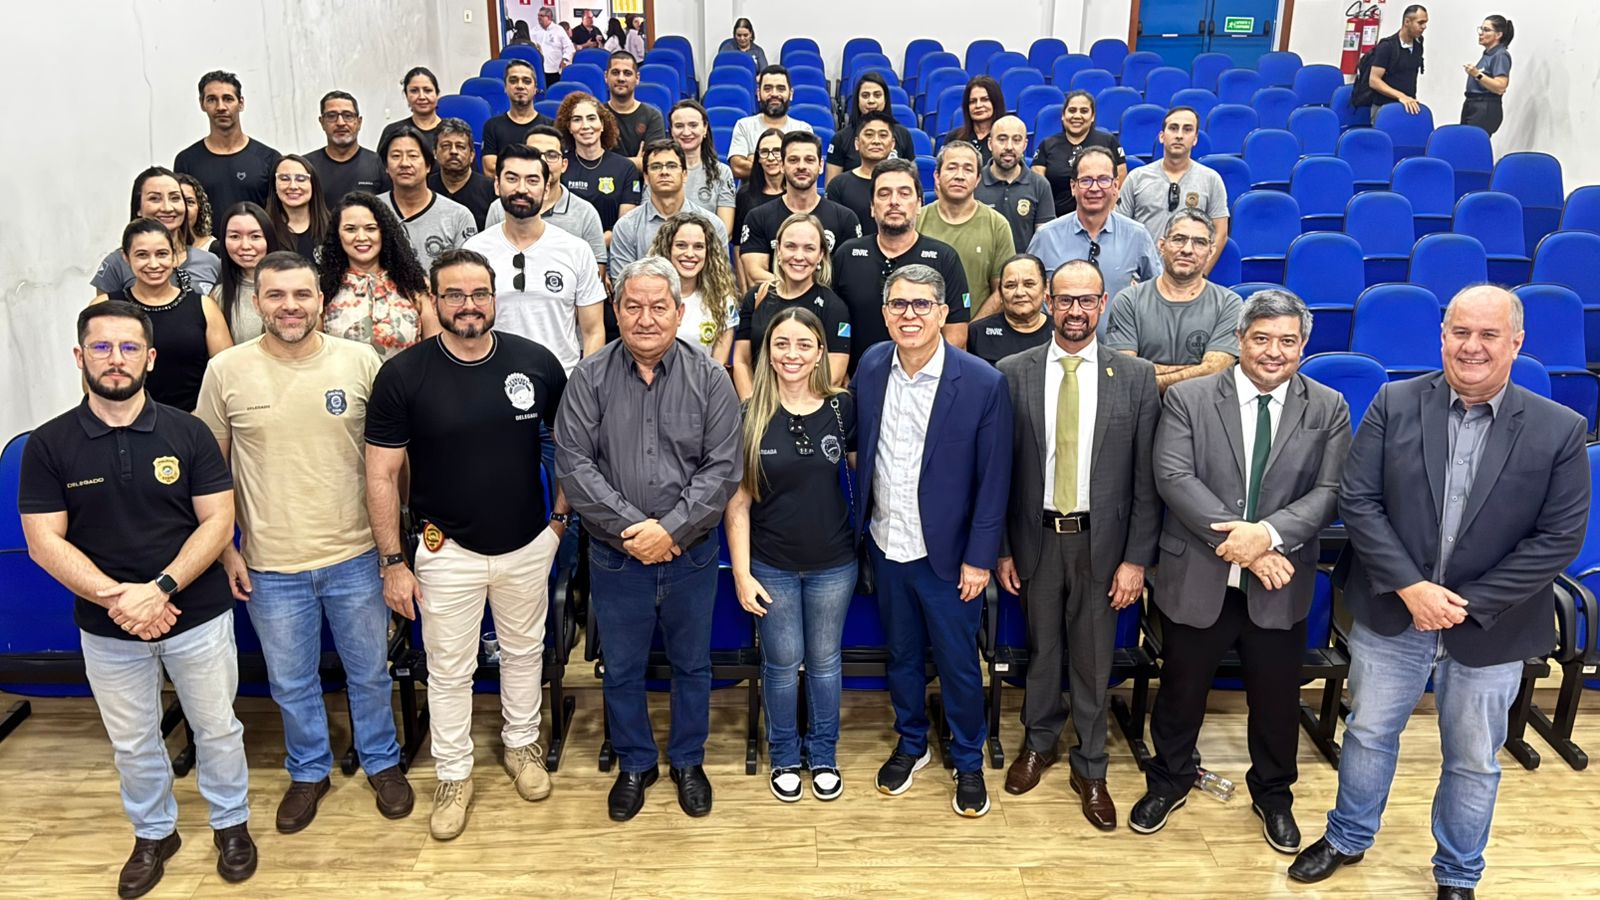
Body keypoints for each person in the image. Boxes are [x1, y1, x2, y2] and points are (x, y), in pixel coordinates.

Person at [1289, 286, 1589, 898]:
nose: (1472, 346)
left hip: (1492, 626)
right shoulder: (1394, 403)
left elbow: (1558, 538)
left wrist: (1464, 603)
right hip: (1393, 612)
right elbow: (1360, 502)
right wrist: (1412, 587)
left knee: (1474, 757)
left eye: (1488, 335)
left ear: (1516, 343)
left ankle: (1458, 871)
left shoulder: (1559, 428)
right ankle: (1347, 836)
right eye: (1461, 332)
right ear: (1443, 335)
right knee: (1368, 733)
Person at [19, 301, 256, 896]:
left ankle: (231, 824)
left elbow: (217, 521)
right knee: (132, 741)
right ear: (80, 356)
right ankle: (154, 833)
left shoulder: (188, 431)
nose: (115, 359)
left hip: (196, 615)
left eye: (128, 348)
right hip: (108, 626)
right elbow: (44, 542)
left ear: (149, 358)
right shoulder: (48, 444)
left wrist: (160, 589)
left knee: (217, 728)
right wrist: (119, 600)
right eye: (101, 347)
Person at [195, 251, 413, 836]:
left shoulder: (360, 361)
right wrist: (226, 549)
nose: (289, 306)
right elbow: (210, 473)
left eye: (301, 295)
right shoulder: (226, 371)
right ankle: (309, 770)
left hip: (356, 555)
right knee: (291, 682)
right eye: (276, 295)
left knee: (370, 673)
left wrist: (396, 547)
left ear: (320, 300)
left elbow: (391, 463)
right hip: (270, 563)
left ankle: (382, 761)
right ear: (257, 303)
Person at [366, 248, 573, 840]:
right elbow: (380, 474)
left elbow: (570, 447)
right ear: (433, 300)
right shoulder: (403, 375)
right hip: (445, 549)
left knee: (524, 652)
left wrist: (559, 521)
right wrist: (392, 562)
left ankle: (522, 746)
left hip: (528, 542)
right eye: (454, 295)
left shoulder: (535, 363)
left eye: (479, 293)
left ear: (494, 297)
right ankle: (454, 775)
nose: (468, 305)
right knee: (449, 669)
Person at [1132, 290, 1349, 850]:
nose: (1273, 351)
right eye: (1261, 338)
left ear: (1303, 345)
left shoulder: (1328, 407)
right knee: (1180, 692)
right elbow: (1174, 477)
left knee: (1276, 700)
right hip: (1198, 575)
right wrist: (1248, 546)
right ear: (1239, 340)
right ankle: (1169, 779)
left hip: (1280, 581)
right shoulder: (1190, 398)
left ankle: (1273, 795)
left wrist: (1268, 536)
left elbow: (1330, 491)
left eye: (1287, 341)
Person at [554, 256, 743, 823]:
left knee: (692, 666)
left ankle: (688, 760)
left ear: (680, 313)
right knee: (622, 668)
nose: (645, 318)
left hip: (691, 555)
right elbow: (574, 465)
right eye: (633, 306)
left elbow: (723, 468)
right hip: (617, 558)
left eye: (659, 306)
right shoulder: (589, 377)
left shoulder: (710, 377)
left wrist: (671, 530)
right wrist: (634, 532)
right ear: (616, 311)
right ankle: (636, 763)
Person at [994, 259, 1160, 831]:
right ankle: (1039, 743)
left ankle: (1091, 765)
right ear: (1047, 302)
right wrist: (1002, 548)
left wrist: (1136, 560)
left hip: (1103, 545)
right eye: (1064, 299)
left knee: (1092, 659)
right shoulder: (1012, 372)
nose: (1075, 311)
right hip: (1035, 538)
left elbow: (1146, 480)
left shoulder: (1134, 376)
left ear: (1103, 303)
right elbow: (1000, 472)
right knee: (1042, 650)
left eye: (1086, 300)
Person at [855, 264, 1013, 818]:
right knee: (901, 656)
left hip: (949, 557)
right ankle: (912, 741)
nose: (910, 315)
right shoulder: (871, 365)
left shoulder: (983, 382)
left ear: (944, 313)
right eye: (899, 304)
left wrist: (979, 559)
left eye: (922, 304)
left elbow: (994, 482)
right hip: (887, 544)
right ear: (885, 314)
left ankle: (968, 761)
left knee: (958, 665)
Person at [726, 307, 856, 802]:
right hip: (771, 565)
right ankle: (783, 754)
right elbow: (737, 505)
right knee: (781, 665)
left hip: (834, 564)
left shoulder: (843, 408)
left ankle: (823, 754)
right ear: (768, 352)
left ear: (821, 352)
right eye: (782, 344)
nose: (792, 354)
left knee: (824, 662)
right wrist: (742, 574)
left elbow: (863, 476)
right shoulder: (749, 414)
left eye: (804, 344)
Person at [464, 142, 606, 376]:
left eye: (532, 180)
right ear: (497, 185)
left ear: (546, 189)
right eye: (512, 179)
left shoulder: (576, 250)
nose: (522, 189)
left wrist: (582, 386)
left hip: (560, 382)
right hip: (490, 380)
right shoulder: (474, 251)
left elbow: (593, 331)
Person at [831, 158, 971, 370]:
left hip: (923, 380)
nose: (894, 201)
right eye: (884, 194)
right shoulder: (846, 255)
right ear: (872, 207)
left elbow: (956, 335)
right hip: (856, 380)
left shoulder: (945, 258)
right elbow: (831, 325)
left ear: (919, 204)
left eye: (904, 193)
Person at [94, 218, 232, 411]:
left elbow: (226, 374)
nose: (153, 264)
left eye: (162, 254)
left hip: (193, 419)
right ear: (126, 258)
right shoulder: (105, 307)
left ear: (174, 257)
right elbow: (91, 379)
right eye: (142, 255)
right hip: (123, 419)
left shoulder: (205, 307)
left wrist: (201, 417)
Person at [1105, 209, 1242, 390]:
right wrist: (1198, 369)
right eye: (1179, 239)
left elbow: (1215, 372)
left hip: (1202, 407)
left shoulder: (1229, 304)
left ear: (1211, 252)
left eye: (1199, 242)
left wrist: (1147, 377)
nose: (1187, 250)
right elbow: (1125, 373)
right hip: (1140, 407)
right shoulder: (1129, 300)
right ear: (1162, 246)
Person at [1028, 147, 1161, 318]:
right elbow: (1029, 293)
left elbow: (1158, 293)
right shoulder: (1046, 237)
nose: (1094, 188)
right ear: (1073, 187)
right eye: (1086, 180)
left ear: (1115, 186)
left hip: (1119, 336)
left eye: (1104, 180)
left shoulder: (1137, 236)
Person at [733, 213, 852, 397]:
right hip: (759, 406)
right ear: (779, 250)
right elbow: (741, 360)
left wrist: (794, 409)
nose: (799, 256)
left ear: (820, 255)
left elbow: (834, 375)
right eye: (790, 246)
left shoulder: (834, 307)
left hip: (808, 408)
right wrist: (751, 406)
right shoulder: (756, 297)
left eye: (809, 248)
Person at [318, 192, 439, 359]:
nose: (361, 237)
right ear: (337, 235)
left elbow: (434, 351)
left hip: (406, 376)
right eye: (350, 229)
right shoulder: (322, 288)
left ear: (384, 232)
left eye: (371, 228)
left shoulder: (415, 285)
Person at [486, 126, 609, 285]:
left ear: (564, 165)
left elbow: (596, 274)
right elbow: (488, 260)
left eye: (551, 155)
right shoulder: (499, 208)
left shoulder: (586, 213)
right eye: (535, 154)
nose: (543, 161)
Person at [1116, 108, 1230, 271]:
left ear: (1195, 139)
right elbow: (1120, 230)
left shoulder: (1211, 180)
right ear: (1162, 136)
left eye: (1187, 129)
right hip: (1142, 276)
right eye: (1173, 128)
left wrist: (1202, 274)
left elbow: (1220, 233)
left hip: (1190, 275)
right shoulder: (1136, 178)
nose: (1179, 135)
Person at [740, 132, 861, 285]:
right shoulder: (758, 217)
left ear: (821, 166)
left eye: (809, 160)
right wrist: (797, 290)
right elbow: (755, 273)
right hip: (776, 299)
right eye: (793, 160)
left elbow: (852, 274)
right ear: (782, 165)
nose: (801, 166)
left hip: (829, 299)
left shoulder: (845, 218)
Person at [917, 141, 1016, 321]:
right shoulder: (916, 221)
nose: (960, 176)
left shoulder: (997, 225)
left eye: (968, 169)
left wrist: (969, 330)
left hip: (977, 331)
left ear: (978, 179)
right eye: (952, 168)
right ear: (937, 176)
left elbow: (1002, 291)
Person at [92, 167, 223, 299]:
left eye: (175, 198)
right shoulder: (116, 263)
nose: (167, 208)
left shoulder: (210, 262)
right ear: (138, 208)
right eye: (154, 199)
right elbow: (103, 310)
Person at [611, 139, 730, 275]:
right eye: (656, 167)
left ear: (685, 174)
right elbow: (623, 282)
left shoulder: (713, 224)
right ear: (646, 177)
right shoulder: (626, 226)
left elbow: (719, 279)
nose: (664, 172)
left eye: (672, 166)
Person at [175, 70, 281, 213]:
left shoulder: (269, 158)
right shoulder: (186, 161)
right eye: (212, 99)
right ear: (202, 104)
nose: (221, 107)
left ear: (241, 103)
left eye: (228, 99)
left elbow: (278, 214)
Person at [376, 126, 478, 270]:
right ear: (386, 166)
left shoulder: (458, 216)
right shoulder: (370, 210)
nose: (404, 163)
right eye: (396, 156)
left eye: (413, 156)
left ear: (428, 165)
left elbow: (468, 272)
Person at [650, 210, 740, 362]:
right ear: (668, 249)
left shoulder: (722, 299)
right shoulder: (648, 295)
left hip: (703, 377)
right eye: (681, 245)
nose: (690, 254)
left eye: (698, 246)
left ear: (708, 252)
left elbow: (718, 364)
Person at [557, 93, 642, 246]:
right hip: (566, 249)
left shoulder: (625, 168)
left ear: (602, 124)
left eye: (591, 118)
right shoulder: (561, 166)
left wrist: (594, 246)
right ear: (568, 127)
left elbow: (625, 226)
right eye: (577, 119)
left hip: (610, 249)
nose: (585, 126)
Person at [1032, 90, 1129, 216]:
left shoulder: (1108, 142)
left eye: (1084, 111)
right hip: (1055, 219)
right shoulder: (1047, 145)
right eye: (1072, 110)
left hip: (1100, 217)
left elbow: (1119, 183)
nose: (1077, 116)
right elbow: (1038, 187)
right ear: (1063, 115)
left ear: (1092, 116)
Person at [976, 114, 1056, 253]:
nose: (1009, 147)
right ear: (990, 144)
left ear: (1025, 145)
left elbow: (1044, 241)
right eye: (1002, 139)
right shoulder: (974, 182)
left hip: (1024, 264)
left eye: (1016, 140)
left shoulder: (1040, 185)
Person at [209, 202, 279, 344]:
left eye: (255, 236)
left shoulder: (294, 285)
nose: (245, 246)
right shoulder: (217, 296)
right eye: (235, 237)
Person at [728, 66, 815, 180]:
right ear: (758, 94)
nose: (774, 94)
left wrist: (755, 159)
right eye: (768, 89)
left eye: (781, 88)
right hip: (753, 192)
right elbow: (737, 168)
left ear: (791, 94)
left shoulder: (803, 129)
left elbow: (805, 169)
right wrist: (788, 162)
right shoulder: (744, 126)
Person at [826, 72, 917, 180]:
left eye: (877, 95)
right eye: (865, 96)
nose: (871, 101)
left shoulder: (903, 134)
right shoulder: (840, 138)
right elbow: (832, 185)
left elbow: (913, 180)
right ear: (857, 100)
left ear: (885, 99)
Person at [966, 253, 1053, 365]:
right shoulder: (977, 333)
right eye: (1011, 285)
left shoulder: (1060, 331)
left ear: (1045, 288)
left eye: (1029, 284)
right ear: (1000, 292)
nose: (1019, 293)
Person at [667, 100, 737, 235]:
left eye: (693, 125)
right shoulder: (660, 171)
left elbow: (725, 230)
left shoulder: (722, 172)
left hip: (709, 244)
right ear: (671, 131)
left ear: (705, 128)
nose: (686, 132)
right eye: (679, 126)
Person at [306, 91, 390, 202]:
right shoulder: (306, 165)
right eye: (331, 116)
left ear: (359, 122)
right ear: (322, 122)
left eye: (348, 116)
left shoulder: (378, 163)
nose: (340, 123)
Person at [825, 110, 896, 237]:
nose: (876, 141)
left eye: (883, 135)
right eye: (869, 135)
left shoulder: (903, 183)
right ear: (857, 143)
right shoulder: (838, 185)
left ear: (892, 144)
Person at [481, 59, 557, 178]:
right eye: (513, 81)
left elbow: (553, 168)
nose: (520, 86)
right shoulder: (492, 126)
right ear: (505, 87)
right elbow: (490, 169)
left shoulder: (550, 126)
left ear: (535, 89)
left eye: (526, 81)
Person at [733, 128, 788, 286]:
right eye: (764, 152)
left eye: (776, 151)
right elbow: (739, 247)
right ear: (758, 158)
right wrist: (745, 291)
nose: (770, 158)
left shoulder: (797, 195)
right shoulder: (745, 195)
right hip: (758, 282)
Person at [429, 118, 498, 229]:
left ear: (472, 155)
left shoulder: (491, 190)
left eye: (460, 146)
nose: (453, 151)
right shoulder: (424, 187)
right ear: (435, 153)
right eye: (446, 146)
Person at [1359, 5, 1428, 116]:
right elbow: (1374, 80)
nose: (1424, 27)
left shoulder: (1418, 44)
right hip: (1384, 108)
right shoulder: (1387, 46)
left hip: (1408, 105)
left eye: (1425, 23)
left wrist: (1407, 98)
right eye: (1420, 23)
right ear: (1407, 22)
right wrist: (1401, 96)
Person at [607, 50, 667, 171]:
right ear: (606, 76)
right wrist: (636, 162)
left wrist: (607, 163)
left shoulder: (652, 116)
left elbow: (653, 164)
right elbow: (592, 163)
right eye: (615, 72)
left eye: (627, 73)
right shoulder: (596, 115)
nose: (621, 78)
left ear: (637, 78)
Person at [267, 154, 330, 260]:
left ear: (313, 185)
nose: (293, 186)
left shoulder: (333, 226)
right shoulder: (263, 228)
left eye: (301, 179)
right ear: (274, 186)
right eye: (284, 179)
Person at [1462, 16, 1513, 135]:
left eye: (1486, 30)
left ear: (1498, 35)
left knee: (1473, 141)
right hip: (1473, 104)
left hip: (1485, 106)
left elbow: (1500, 86)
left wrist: (1477, 74)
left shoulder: (1500, 55)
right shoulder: (1488, 54)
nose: (1481, 33)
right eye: (1481, 29)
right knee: (1465, 139)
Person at [943, 76, 1005, 166]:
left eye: (985, 100)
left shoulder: (1006, 140)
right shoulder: (954, 138)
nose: (978, 105)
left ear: (995, 102)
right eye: (973, 101)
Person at [378, 67, 444, 151]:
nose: (422, 97)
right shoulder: (392, 131)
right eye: (414, 91)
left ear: (437, 94)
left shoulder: (452, 132)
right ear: (406, 95)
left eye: (427, 90)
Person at [532, 5, 575, 85]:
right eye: (538, 16)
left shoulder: (558, 30)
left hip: (555, 69)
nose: (538, 18)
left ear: (548, 17)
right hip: (539, 69)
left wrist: (565, 59)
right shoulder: (534, 31)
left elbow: (569, 46)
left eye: (541, 16)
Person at [177, 174, 215, 252]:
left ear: (200, 208)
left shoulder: (215, 250)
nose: (183, 209)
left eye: (189, 202)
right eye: (175, 200)